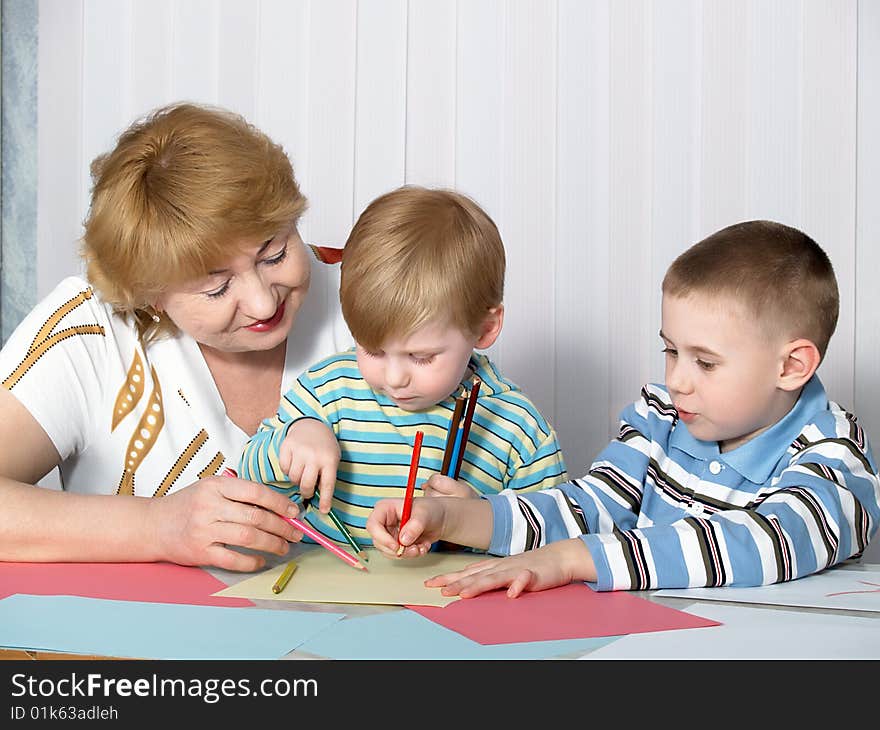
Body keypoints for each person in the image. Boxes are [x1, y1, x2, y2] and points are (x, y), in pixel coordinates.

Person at [367, 219, 880, 596]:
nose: (676, 380)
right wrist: (451, 518)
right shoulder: (661, 417)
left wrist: (577, 559)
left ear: (790, 367)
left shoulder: (834, 451)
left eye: (705, 363)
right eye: (672, 350)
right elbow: (587, 508)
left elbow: (772, 539)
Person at [0, 102, 350, 571]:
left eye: (275, 252)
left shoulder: (371, 298)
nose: (264, 303)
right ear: (149, 296)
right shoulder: (90, 331)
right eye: (216, 286)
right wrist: (157, 527)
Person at [238, 185, 568, 547]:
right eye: (373, 351)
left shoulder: (518, 428)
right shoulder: (325, 394)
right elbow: (249, 480)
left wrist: (481, 519)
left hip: (453, 599)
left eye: (422, 357)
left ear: (485, 328)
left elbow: (557, 535)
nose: (394, 378)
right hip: (330, 598)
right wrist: (292, 441)